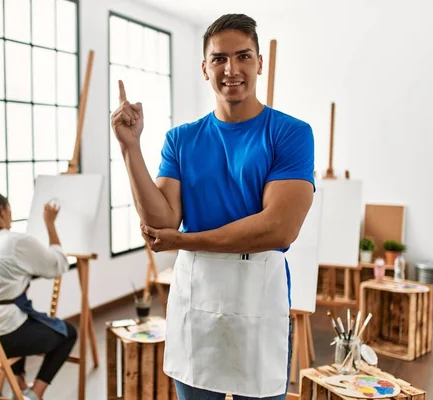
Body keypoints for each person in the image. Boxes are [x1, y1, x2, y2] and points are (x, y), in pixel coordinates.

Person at [111, 13, 315, 400]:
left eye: (243, 56)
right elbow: (162, 219)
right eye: (219, 59)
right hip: (196, 294)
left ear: (259, 63)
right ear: (205, 68)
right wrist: (129, 148)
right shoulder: (181, 140)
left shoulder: (290, 133)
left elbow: (279, 229)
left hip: (260, 290)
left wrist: (183, 241)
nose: (231, 69)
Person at [0, 191, 77, 400]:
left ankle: (18, 384)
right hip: (1, 339)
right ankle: (33, 394)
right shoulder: (14, 241)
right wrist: (50, 224)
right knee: (68, 334)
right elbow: (58, 265)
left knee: (17, 316)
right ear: (3, 211)